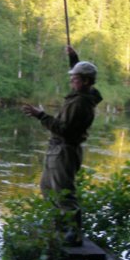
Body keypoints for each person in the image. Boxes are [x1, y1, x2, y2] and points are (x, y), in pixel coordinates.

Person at [22, 45, 103, 245]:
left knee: (64, 192)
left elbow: (63, 129)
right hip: (58, 149)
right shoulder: (87, 94)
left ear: (84, 82)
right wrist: (74, 59)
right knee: (47, 187)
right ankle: (58, 225)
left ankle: (73, 235)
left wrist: (40, 114)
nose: (71, 80)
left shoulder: (80, 103)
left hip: (65, 150)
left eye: (74, 78)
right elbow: (84, 75)